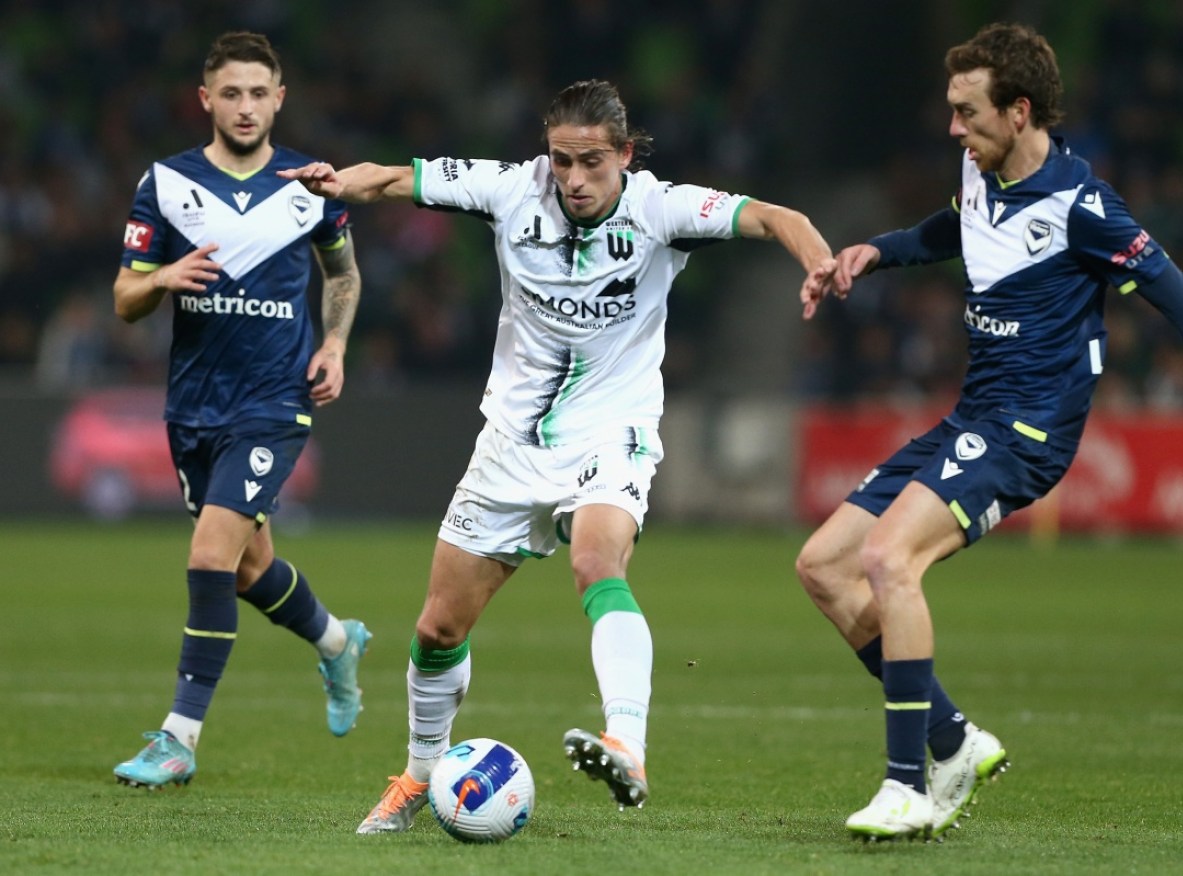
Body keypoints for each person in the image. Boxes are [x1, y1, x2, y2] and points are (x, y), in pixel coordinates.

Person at [278, 78, 835, 833]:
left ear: (625, 155)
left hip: (612, 432)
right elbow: (395, 177)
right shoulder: (509, 190)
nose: (573, 178)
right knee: (438, 630)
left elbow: (775, 216)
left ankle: (626, 746)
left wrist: (817, 260)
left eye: (591, 162)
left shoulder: (661, 210)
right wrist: (335, 180)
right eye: (561, 160)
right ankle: (415, 777)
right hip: (508, 445)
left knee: (596, 564)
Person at [795, 22, 1183, 842]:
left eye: (967, 112)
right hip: (972, 415)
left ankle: (906, 783)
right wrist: (873, 254)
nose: (953, 128)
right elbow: (954, 230)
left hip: (1027, 430)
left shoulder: (1082, 208)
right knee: (822, 567)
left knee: (886, 560)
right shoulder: (978, 171)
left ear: (1018, 111)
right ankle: (953, 739)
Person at [111, 31, 371, 789]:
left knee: (209, 558)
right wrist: (161, 280)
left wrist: (335, 345)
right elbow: (124, 298)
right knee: (251, 568)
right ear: (206, 100)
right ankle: (335, 643)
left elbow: (345, 275)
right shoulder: (164, 184)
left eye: (260, 93)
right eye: (232, 93)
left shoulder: (307, 185)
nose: (246, 106)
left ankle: (178, 738)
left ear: (279, 98)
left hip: (273, 401)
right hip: (194, 407)